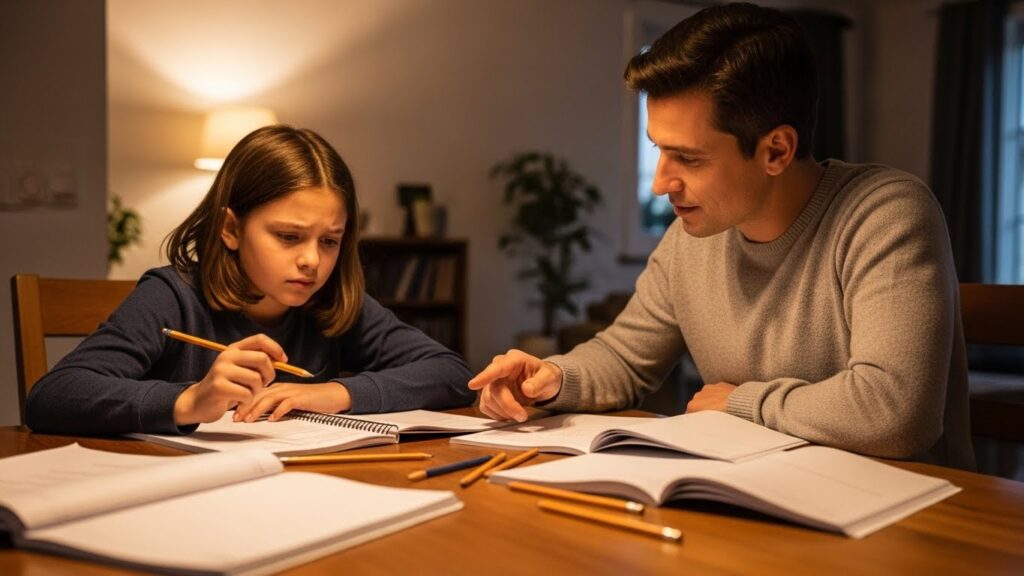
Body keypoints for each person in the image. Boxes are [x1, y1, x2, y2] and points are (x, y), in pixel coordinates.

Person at [469, 2, 974, 469]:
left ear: (776, 150)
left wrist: (739, 401)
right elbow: (624, 356)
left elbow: (897, 411)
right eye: (658, 150)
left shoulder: (885, 214)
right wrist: (552, 379)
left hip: (903, 518)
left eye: (688, 158)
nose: (661, 183)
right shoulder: (693, 238)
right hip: (763, 494)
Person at [25, 125, 474, 435]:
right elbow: (53, 396)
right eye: (288, 236)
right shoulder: (173, 297)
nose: (311, 262)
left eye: (330, 241)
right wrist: (188, 402)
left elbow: (452, 373)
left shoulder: (332, 304)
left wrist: (335, 393)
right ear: (232, 229)